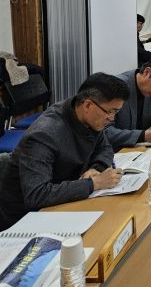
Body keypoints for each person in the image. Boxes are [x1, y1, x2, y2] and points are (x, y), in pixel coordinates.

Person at [0, 73, 128, 230]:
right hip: (26, 221)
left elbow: (104, 147)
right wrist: (94, 183)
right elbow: (37, 195)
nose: (112, 118)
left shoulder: (86, 115)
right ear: (88, 105)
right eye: (110, 112)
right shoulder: (44, 135)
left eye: (115, 112)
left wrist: (96, 168)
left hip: (64, 202)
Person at [106, 56, 151, 152]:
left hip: (140, 149)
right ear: (147, 72)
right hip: (117, 152)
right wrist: (142, 136)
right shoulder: (117, 87)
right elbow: (105, 131)